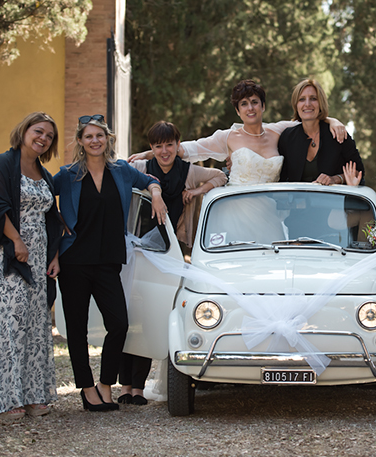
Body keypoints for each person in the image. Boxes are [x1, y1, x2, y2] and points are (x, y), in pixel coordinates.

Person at [54, 114, 167, 412]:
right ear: (80, 141)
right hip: (74, 261)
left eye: (100, 136)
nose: (95, 141)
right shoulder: (67, 175)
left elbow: (150, 181)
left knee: (119, 324)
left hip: (109, 262)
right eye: (89, 136)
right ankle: (87, 389)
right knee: (77, 329)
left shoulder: (122, 171)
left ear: (108, 139)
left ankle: (106, 383)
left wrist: (155, 194)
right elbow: (41, 198)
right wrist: (57, 222)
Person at [123, 120, 227, 405]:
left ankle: (140, 385)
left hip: (172, 254)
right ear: (152, 147)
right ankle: (126, 386)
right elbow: (118, 170)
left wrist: (196, 191)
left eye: (169, 144)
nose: (164, 150)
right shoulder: (143, 169)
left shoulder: (189, 171)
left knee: (158, 314)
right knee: (135, 313)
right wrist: (144, 157)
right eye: (158, 146)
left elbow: (221, 176)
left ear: (178, 145)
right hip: (142, 251)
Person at [0, 112, 63, 420]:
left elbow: (53, 218)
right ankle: (4, 400)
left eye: (49, 136)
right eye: (39, 131)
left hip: (38, 259)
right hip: (9, 255)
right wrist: (16, 241)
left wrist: (53, 256)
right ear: (24, 131)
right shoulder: (2, 164)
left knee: (34, 326)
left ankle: (33, 395)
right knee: (9, 324)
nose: (43, 138)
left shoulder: (43, 172)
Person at [127, 79, 347, 186]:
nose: (250, 108)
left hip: (273, 210)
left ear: (263, 106)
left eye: (254, 102)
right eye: (244, 104)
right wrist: (149, 154)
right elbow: (190, 149)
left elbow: (307, 118)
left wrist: (333, 120)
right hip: (236, 208)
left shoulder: (278, 131)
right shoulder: (228, 137)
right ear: (237, 110)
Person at [278, 78, 365, 185]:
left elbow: (358, 172)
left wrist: (335, 179)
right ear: (296, 105)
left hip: (333, 200)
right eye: (301, 99)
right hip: (297, 201)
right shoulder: (287, 137)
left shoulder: (338, 133)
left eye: (313, 98)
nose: (307, 104)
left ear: (321, 103)